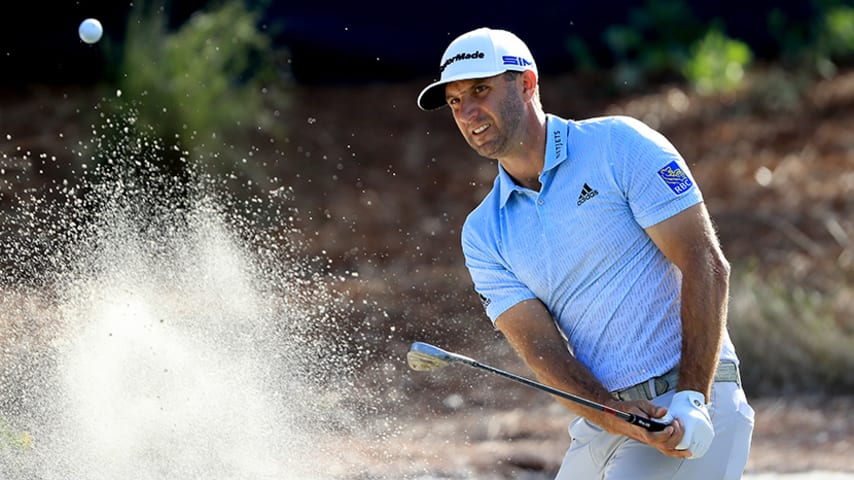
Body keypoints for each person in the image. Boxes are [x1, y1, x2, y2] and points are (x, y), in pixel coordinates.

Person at [416, 27, 754, 479]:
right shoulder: (483, 232)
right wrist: (612, 415)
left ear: (527, 83)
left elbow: (706, 264)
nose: (469, 111)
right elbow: (540, 348)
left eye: (482, 89)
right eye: (456, 101)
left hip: (690, 406)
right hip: (605, 421)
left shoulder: (619, 145)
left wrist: (693, 397)